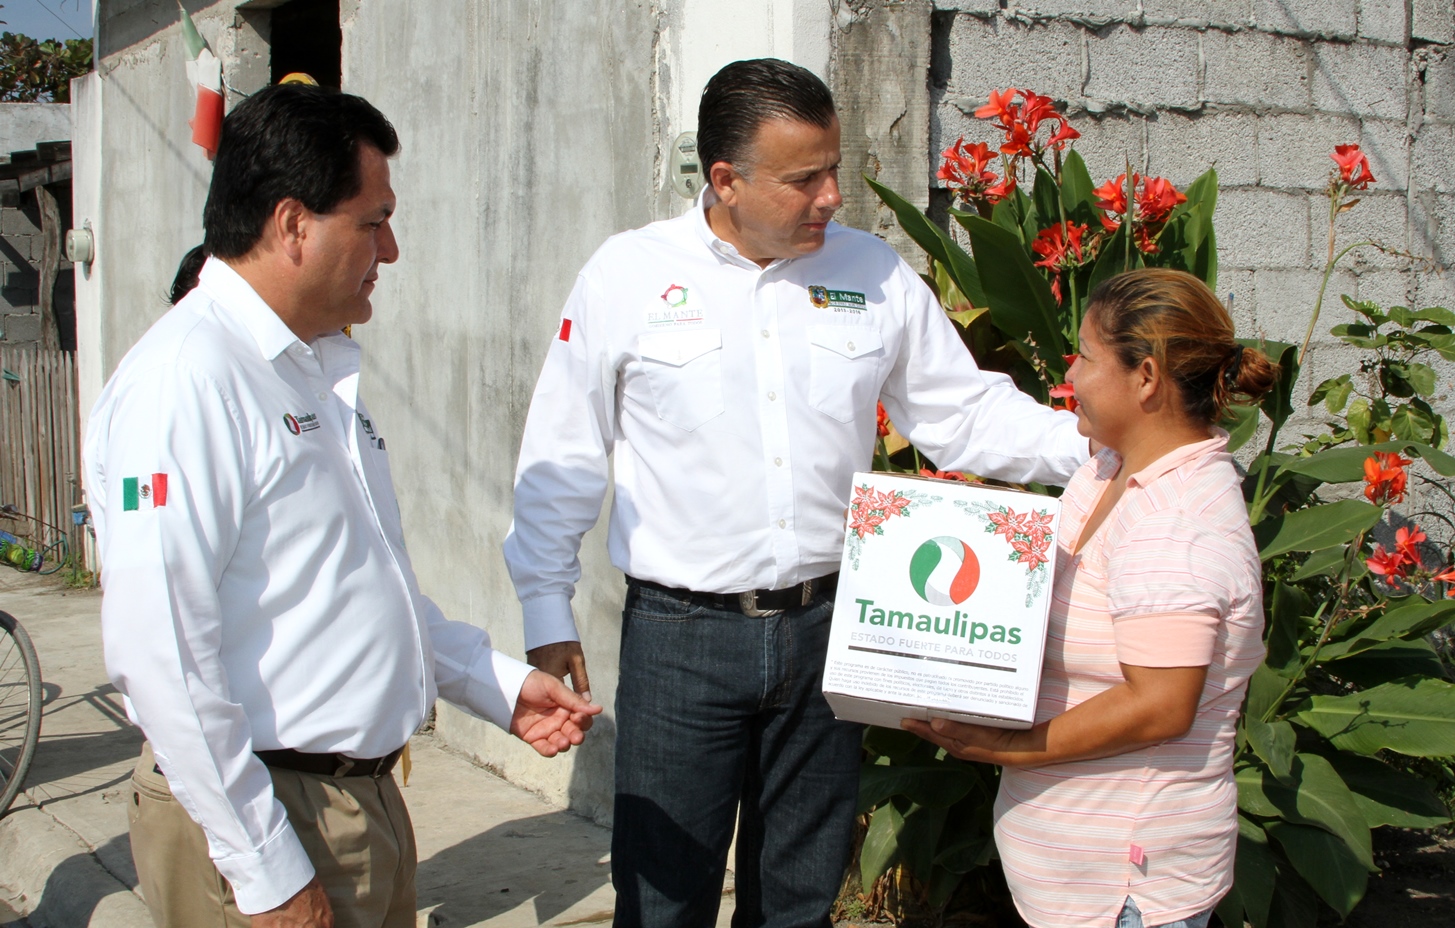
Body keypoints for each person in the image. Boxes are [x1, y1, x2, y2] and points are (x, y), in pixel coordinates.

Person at [504, 58, 1089, 927]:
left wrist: (1108, 447)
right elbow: (563, 454)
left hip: (832, 634)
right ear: (726, 179)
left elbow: (962, 415)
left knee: (798, 901)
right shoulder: (625, 275)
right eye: (803, 179)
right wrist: (545, 616)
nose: (829, 198)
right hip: (680, 639)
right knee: (662, 899)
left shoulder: (874, 273)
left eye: (832, 171)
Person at [84, 84, 600, 928]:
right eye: (373, 221)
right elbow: (164, 656)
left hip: (356, 805)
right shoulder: (188, 381)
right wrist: (266, 871)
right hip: (271, 811)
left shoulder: (310, 369)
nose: (389, 250)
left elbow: (358, 587)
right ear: (292, 224)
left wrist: (497, 686)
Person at [905, 268, 1279, 928]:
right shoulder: (1106, 468)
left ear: (1146, 377)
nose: (1068, 378)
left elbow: (1159, 706)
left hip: (1127, 885)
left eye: (1083, 356)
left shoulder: (1174, 522)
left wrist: (998, 747)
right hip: (1075, 881)